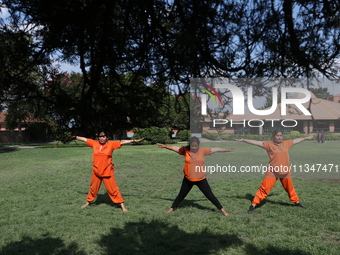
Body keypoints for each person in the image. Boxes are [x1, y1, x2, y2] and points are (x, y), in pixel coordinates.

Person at [234, 130, 313, 213]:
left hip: (285, 171)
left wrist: (306, 138)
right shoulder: (269, 145)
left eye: (280, 135)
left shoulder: (286, 143)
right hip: (272, 171)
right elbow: (256, 142)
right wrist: (243, 140)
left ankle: (297, 202)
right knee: (264, 188)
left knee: (290, 188)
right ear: (273, 137)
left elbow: (296, 140)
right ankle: (253, 204)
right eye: (277, 135)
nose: (279, 137)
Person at [157, 136, 235, 216]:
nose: (194, 147)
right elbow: (175, 148)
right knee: (181, 195)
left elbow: (215, 149)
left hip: (201, 179)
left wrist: (227, 150)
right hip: (188, 179)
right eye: (192, 146)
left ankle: (223, 211)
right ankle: (172, 208)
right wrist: (165, 146)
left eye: (195, 146)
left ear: (198, 145)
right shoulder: (186, 150)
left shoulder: (202, 151)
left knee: (210, 195)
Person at [74, 132, 143, 212]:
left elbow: (122, 142)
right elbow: (85, 139)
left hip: (107, 171)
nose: (101, 138)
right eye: (100, 137)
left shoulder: (111, 144)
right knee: (93, 188)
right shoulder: (94, 143)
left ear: (107, 138)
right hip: (96, 171)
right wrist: (75, 136)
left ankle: (122, 206)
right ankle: (88, 202)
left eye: (103, 137)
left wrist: (134, 140)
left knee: (113, 189)